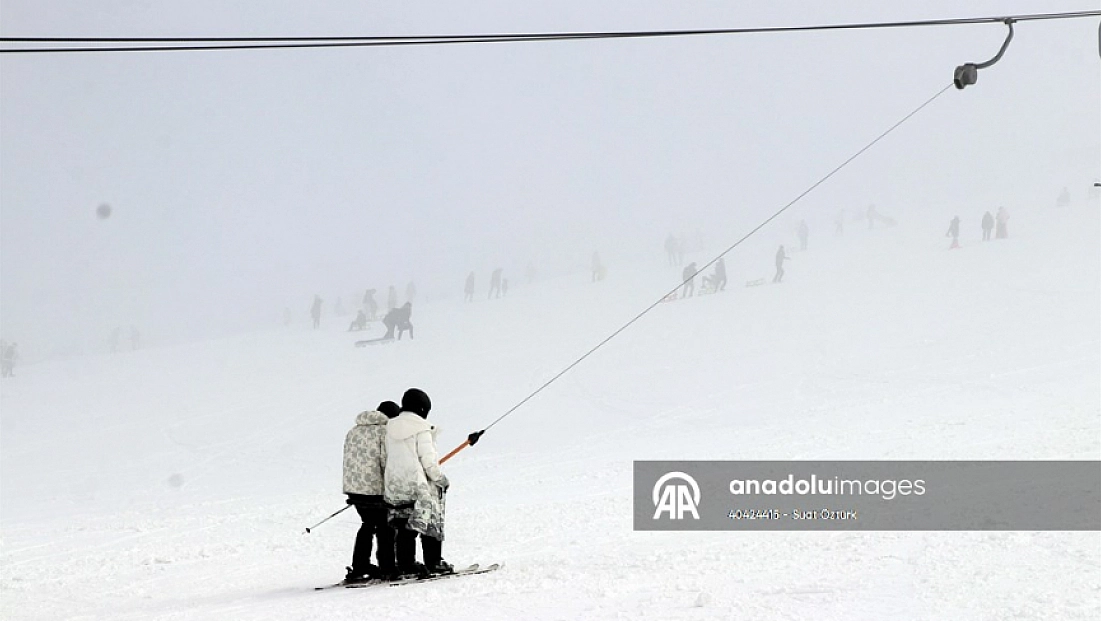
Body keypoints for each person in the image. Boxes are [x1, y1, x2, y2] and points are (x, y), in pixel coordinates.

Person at [384, 389, 452, 577]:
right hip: (416, 483)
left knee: (403, 522)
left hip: (393, 484)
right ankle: (434, 562)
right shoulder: (421, 428)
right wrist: (440, 479)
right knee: (430, 519)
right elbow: (428, 461)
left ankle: (406, 564)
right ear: (422, 409)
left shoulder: (390, 427)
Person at [343, 400, 401, 582]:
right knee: (385, 526)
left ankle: (359, 566)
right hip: (375, 490)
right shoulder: (384, 432)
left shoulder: (353, 431)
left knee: (367, 524)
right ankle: (388, 567)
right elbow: (387, 462)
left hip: (354, 490)